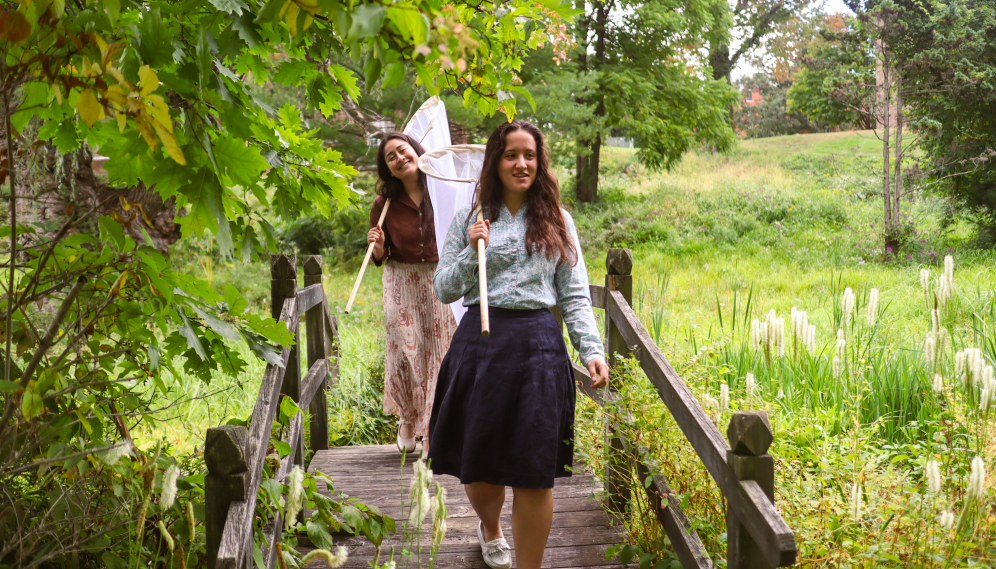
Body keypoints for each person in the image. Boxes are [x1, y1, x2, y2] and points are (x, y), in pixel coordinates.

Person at [427, 120, 610, 569]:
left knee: (534, 472)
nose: (521, 163)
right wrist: (472, 251)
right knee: (480, 462)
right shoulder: (470, 217)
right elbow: (443, 289)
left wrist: (591, 349)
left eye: (529, 155)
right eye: (511, 155)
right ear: (496, 161)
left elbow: (574, 293)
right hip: (480, 346)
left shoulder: (559, 220)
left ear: (540, 161)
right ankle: (490, 527)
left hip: (539, 349)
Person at [367, 132, 458, 454]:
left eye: (402, 151)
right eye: (390, 157)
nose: (398, 158)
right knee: (405, 349)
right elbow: (380, 256)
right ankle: (407, 417)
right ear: (388, 169)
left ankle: (433, 428)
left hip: (441, 277)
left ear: (416, 152)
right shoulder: (384, 203)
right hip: (401, 279)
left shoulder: (443, 190)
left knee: (440, 352)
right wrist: (377, 247)